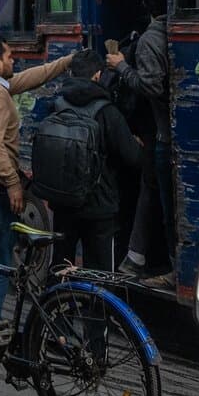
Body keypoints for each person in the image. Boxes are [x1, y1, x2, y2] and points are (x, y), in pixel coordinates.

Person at [0, 35, 71, 356]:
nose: (14, 60)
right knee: (0, 261)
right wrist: (12, 183)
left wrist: (64, 63)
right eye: (9, 56)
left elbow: (23, 80)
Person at [32, 48, 140, 275]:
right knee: (100, 273)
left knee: (60, 266)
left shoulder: (56, 106)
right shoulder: (108, 112)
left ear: (71, 74)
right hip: (99, 207)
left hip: (63, 203)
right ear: (98, 76)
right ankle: (93, 311)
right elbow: (132, 158)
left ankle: (58, 307)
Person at [122, 0, 174, 285]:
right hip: (161, 134)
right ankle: (137, 256)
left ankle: (170, 266)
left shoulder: (150, 39)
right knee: (152, 190)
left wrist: (121, 67)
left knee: (165, 202)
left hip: (163, 135)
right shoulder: (172, 31)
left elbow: (151, 87)